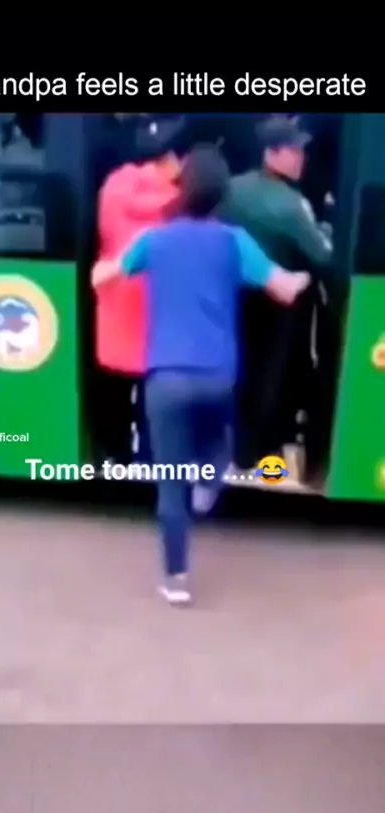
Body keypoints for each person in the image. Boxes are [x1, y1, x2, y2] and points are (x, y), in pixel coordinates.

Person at [96, 146, 311, 606]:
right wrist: (304, 278)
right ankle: (209, 483)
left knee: (169, 481)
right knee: (217, 447)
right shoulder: (235, 241)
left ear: (182, 188)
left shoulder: (154, 239)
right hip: (216, 377)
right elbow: (283, 289)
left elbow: (107, 276)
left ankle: (176, 579)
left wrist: (101, 270)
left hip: (165, 378)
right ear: (221, 195)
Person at [221, 116, 333, 475]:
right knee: (269, 379)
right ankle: (257, 454)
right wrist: (325, 228)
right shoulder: (291, 204)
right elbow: (323, 256)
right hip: (277, 303)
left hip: (230, 298)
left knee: (238, 372)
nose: (301, 158)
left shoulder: (230, 188)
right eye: (293, 151)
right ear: (271, 153)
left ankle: (235, 449)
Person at [91, 117, 187, 463]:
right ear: (171, 159)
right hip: (157, 315)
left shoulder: (112, 186)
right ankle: (149, 460)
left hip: (114, 306)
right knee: (154, 398)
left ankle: (114, 455)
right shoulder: (180, 202)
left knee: (113, 393)